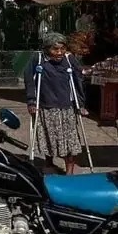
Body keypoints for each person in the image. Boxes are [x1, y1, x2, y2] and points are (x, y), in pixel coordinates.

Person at [26, 32, 88, 175]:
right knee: (48, 137)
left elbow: (78, 80)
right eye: (55, 49)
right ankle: (49, 163)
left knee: (70, 141)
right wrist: (31, 101)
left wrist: (81, 104)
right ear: (47, 49)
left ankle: (69, 171)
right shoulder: (38, 58)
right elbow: (29, 79)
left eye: (62, 48)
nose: (59, 52)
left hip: (67, 107)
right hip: (45, 106)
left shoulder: (69, 59)